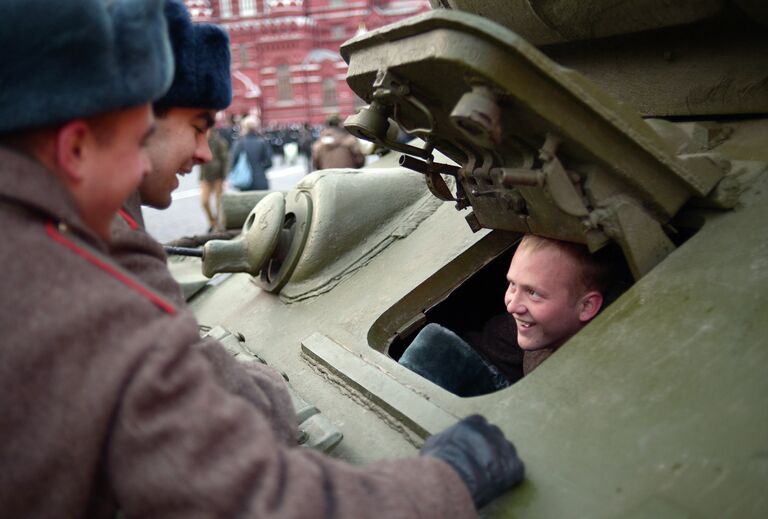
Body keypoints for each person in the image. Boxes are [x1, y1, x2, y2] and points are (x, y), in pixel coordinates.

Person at [0, 1, 525, 516]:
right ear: (74, 150)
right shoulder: (80, 302)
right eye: (140, 140)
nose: (145, 164)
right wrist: (445, 481)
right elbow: (258, 502)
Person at [400, 234, 612, 396]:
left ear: (586, 307)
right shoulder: (534, 324)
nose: (512, 306)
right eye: (512, 285)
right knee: (435, 345)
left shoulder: (597, 368)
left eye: (533, 293)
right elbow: (480, 350)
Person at [228, 115, 272, 190]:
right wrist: (260, 169)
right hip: (260, 180)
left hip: (244, 181)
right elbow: (269, 163)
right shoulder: (262, 142)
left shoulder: (239, 143)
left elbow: (232, 163)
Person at [200, 127, 229, 231]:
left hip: (218, 176)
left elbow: (226, 160)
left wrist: (225, 177)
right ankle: (212, 222)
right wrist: (201, 177)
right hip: (206, 177)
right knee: (204, 201)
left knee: (219, 202)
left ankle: (220, 224)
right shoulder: (202, 142)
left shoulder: (220, 142)